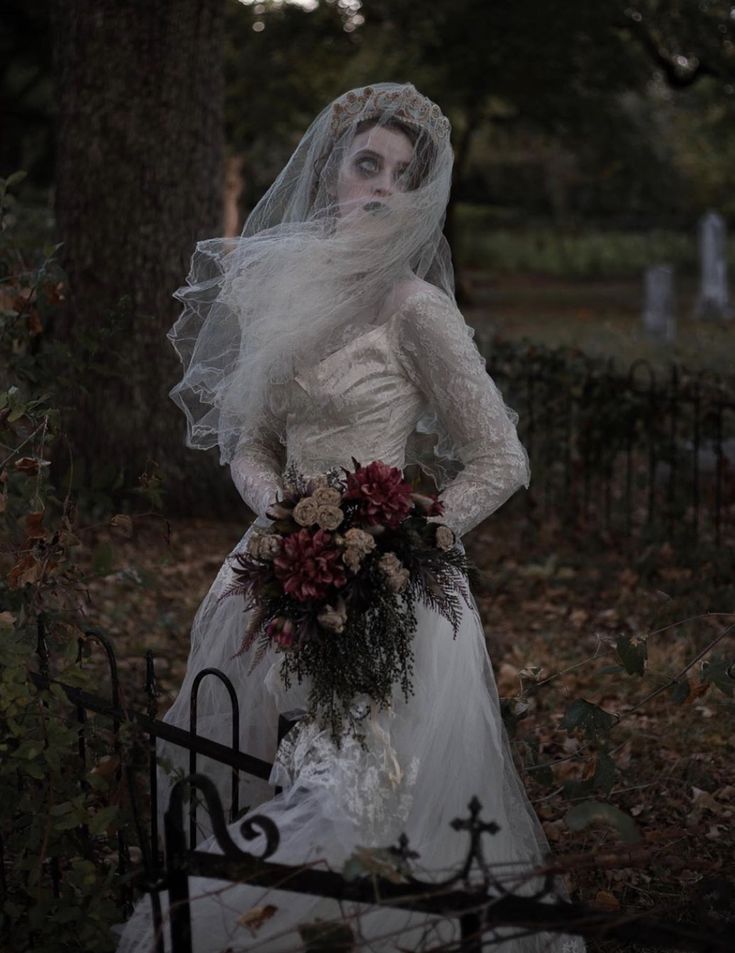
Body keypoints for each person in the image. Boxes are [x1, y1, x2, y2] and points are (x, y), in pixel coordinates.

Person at [117, 83, 584, 952]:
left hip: (389, 589)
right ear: (331, 169)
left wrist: (396, 539)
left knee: (359, 795)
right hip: (275, 563)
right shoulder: (276, 292)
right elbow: (250, 442)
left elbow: (502, 459)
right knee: (247, 765)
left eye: (403, 176)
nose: (380, 187)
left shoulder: (416, 310)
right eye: (366, 163)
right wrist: (286, 518)